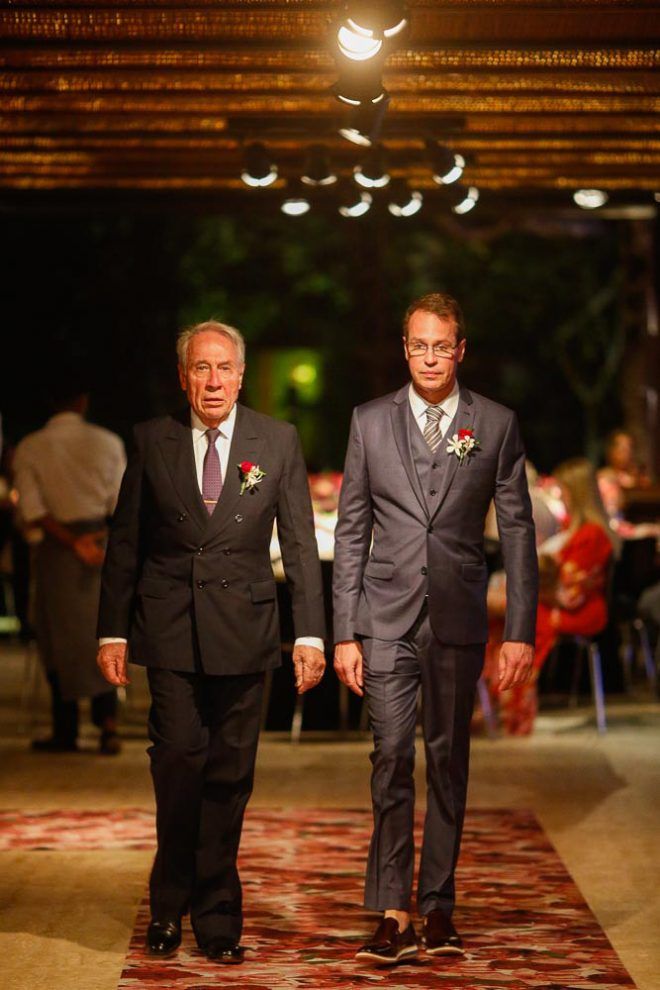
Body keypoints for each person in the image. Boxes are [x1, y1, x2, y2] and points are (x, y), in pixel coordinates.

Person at [96, 320, 326, 964]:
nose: (214, 380)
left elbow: (300, 544)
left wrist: (309, 633)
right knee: (177, 764)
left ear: (242, 376)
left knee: (229, 774)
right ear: (183, 377)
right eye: (202, 368)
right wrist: (112, 630)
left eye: (225, 367)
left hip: (245, 631)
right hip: (169, 628)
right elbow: (125, 541)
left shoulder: (276, 440)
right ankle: (168, 904)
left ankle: (218, 911)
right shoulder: (152, 439)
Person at [332, 292, 538, 965]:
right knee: (391, 754)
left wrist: (520, 629)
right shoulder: (369, 422)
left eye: (440, 346)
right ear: (405, 349)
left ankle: (438, 905)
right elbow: (352, 530)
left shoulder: (496, 424)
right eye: (418, 346)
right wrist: (343, 631)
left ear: (460, 350)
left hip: (457, 614)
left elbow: (517, 530)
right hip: (384, 618)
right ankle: (393, 909)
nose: (428, 358)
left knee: (448, 761)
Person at [13, 386, 126, 754]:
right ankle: (108, 723)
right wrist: (93, 538)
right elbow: (120, 502)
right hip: (99, 544)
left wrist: (72, 541)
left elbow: (33, 509)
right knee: (104, 630)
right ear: (83, 401)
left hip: (57, 547)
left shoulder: (31, 446)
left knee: (58, 636)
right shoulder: (108, 442)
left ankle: (67, 727)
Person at [490, 457, 616, 735]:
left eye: (564, 491)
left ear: (576, 493)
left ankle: (511, 710)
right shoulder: (573, 530)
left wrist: (524, 591)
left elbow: (570, 595)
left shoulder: (592, 535)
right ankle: (495, 705)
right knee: (499, 617)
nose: (560, 497)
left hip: (581, 610)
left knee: (515, 617)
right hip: (555, 601)